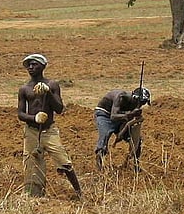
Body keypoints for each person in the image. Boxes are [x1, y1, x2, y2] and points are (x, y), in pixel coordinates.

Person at [18, 53, 82, 199]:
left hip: (49, 131)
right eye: (29, 65)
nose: (31, 67)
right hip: (31, 132)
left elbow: (59, 108)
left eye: (34, 64)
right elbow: (21, 114)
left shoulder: (52, 85)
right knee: (31, 163)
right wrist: (34, 118)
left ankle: (79, 193)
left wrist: (48, 92)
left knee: (64, 161)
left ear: (43, 66)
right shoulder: (24, 89)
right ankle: (34, 196)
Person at [94, 87, 151, 171]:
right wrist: (130, 115)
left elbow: (129, 121)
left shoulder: (135, 104)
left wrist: (123, 131)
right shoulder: (120, 97)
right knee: (104, 139)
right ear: (134, 97)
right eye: (140, 102)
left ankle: (135, 164)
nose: (140, 105)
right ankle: (99, 168)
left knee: (137, 140)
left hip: (120, 117)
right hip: (104, 115)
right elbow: (113, 116)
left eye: (143, 103)